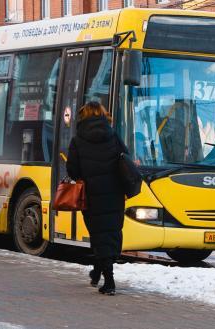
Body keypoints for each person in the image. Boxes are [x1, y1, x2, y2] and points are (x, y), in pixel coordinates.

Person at [66, 101, 128, 296]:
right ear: (103, 114)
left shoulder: (77, 140)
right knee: (109, 233)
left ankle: (109, 282)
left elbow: (73, 170)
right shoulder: (113, 135)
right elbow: (125, 158)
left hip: (91, 195)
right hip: (115, 193)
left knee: (98, 234)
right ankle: (97, 272)